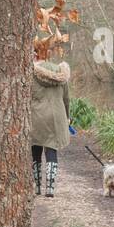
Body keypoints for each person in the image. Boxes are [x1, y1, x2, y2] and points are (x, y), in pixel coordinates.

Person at [31, 59, 71, 197]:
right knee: (51, 149)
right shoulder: (61, 73)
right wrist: (67, 117)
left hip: (36, 116)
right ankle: (50, 188)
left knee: (35, 149)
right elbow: (66, 99)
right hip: (56, 116)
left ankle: (37, 187)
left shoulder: (31, 73)